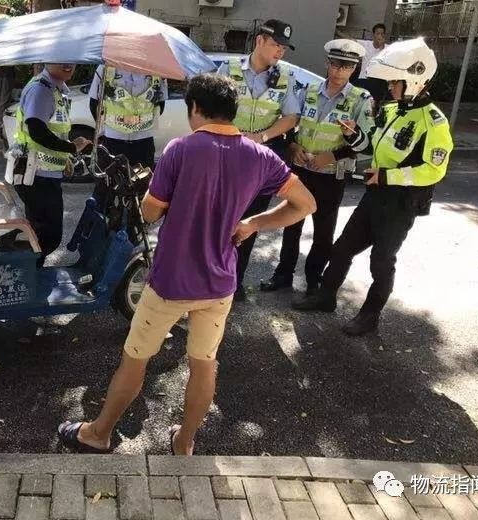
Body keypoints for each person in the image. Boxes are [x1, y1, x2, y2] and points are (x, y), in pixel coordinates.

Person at [56, 73, 316, 455]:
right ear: (233, 110)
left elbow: (149, 213)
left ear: (195, 108)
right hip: (220, 284)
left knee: (135, 358)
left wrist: (151, 195)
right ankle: (185, 441)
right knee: (204, 364)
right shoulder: (260, 156)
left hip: (170, 282)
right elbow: (306, 204)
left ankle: (99, 433)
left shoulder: (180, 149)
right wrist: (254, 223)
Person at [293, 38, 454, 336]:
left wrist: (388, 176)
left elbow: (434, 169)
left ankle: (369, 316)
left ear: (415, 82)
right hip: (374, 194)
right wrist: (353, 137)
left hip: (400, 202)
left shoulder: (434, 123)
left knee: (381, 261)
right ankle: (325, 296)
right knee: (341, 249)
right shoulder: (392, 110)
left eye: (396, 83)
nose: (391, 88)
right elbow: (370, 146)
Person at [261, 40, 373, 298]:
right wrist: (291, 148)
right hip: (301, 171)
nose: (338, 71)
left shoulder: (361, 100)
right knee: (291, 225)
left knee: (323, 232)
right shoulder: (307, 90)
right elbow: (289, 123)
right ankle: (283, 275)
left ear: (354, 69)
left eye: (345, 66)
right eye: (334, 64)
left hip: (331, 176)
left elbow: (367, 143)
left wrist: (333, 155)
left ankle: (313, 280)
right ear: (327, 63)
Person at [217, 19, 300, 301]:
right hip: (226, 156)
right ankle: (211, 278)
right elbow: (211, 110)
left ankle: (234, 283)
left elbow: (291, 117)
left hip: (262, 159)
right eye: (276, 44)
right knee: (220, 218)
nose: (281, 52)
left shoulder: (286, 77)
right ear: (260, 41)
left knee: (250, 221)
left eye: (284, 47)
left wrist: (262, 136)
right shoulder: (227, 70)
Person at [13, 63, 91, 266]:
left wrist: (64, 159)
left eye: (72, 61)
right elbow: (37, 130)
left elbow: (52, 133)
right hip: (36, 176)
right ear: (48, 60)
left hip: (43, 174)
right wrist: (71, 148)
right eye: (61, 59)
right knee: (49, 236)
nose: (69, 65)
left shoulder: (56, 89)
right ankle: (24, 272)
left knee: (40, 235)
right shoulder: (42, 89)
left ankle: (30, 274)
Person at [88, 66, 168, 168]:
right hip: (112, 141)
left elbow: (160, 104)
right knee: (110, 182)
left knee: (142, 182)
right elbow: (94, 104)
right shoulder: (105, 68)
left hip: (144, 143)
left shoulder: (158, 71)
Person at [354, 23, 389, 104]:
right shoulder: (366, 44)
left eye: (382, 34)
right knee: (358, 101)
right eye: (378, 33)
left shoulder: (388, 48)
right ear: (373, 35)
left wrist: (382, 47)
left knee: (376, 103)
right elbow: (352, 40)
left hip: (379, 81)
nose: (380, 36)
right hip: (364, 79)